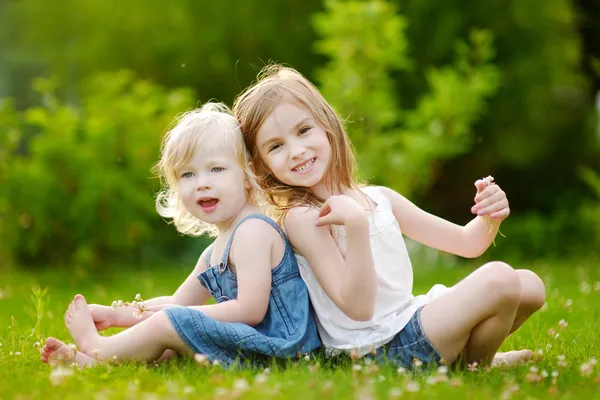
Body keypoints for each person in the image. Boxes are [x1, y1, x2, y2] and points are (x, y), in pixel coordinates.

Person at [231, 65, 546, 369]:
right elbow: (358, 308)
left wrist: (491, 214)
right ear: (262, 166)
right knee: (500, 280)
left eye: (303, 130)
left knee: (529, 287)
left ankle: (467, 359)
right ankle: (478, 366)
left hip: (406, 319)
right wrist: (355, 226)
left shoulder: (379, 198)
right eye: (276, 146)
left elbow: (467, 243)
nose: (296, 150)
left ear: (327, 126)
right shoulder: (303, 216)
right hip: (377, 347)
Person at [40, 102, 321, 368]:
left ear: (248, 175)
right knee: (172, 330)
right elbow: (177, 302)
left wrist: (176, 317)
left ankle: (96, 346)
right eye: (188, 174)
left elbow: (250, 310)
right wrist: (117, 315)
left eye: (216, 169)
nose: (202, 184)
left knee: (171, 323)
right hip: (250, 344)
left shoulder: (253, 231)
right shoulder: (213, 252)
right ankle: (98, 362)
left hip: (282, 350)